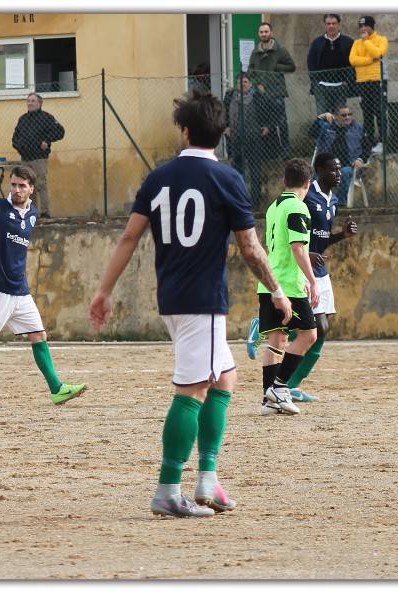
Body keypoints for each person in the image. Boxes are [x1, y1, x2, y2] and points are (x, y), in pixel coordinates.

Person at [89, 89, 292, 518]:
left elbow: (129, 236)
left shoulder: (157, 177)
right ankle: (167, 488)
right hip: (204, 300)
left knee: (225, 378)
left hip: (173, 297)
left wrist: (105, 290)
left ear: (184, 132)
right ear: (223, 134)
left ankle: (208, 479)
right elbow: (251, 249)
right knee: (193, 389)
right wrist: (276, 289)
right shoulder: (228, 179)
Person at [0, 166, 86, 408]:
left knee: (38, 335)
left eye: (22, 186)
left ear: (32, 188)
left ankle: (57, 389)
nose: (17, 189)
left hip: (20, 289)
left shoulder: (33, 212)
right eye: (14, 185)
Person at [283, 153, 359, 402]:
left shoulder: (333, 199)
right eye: (333, 170)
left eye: (339, 170)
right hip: (303, 267)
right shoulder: (306, 196)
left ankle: (292, 384)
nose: (338, 174)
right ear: (318, 171)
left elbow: (321, 239)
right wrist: (308, 252)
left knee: (322, 329)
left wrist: (342, 235)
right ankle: (265, 327)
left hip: (320, 269)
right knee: (311, 328)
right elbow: (293, 234)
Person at [256, 159, 320, 417]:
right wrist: (312, 280)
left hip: (269, 283)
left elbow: (274, 247)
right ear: (308, 183)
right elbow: (297, 247)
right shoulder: (297, 207)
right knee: (309, 335)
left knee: (277, 340)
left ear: (284, 182)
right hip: (288, 287)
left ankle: (268, 400)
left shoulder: (274, 206)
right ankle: (280, 387)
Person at [11, 93, 64, 218]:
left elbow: (60, 131)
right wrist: (20, 148)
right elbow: (15, 138)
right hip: (25, 158)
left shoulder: (47, 118)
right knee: (28, 187)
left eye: (33, 101)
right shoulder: (22, 119)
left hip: (40, 158)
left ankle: (45, 212)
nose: (30, 103)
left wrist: (47, 140)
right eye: (28, 101)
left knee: (40, 184)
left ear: (40, 103)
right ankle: (32, 212)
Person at [248, 22, 297, 158]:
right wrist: (257, 84)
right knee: (265, 122)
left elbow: (292, 67)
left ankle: (286, 149)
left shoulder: (280, 49)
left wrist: (277, 67)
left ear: (271, 33)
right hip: (261, 93)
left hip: (277, 92)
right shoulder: (255, 52)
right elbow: (250, 71)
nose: (264, 34)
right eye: (261, 32)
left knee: (281, 122)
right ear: (259, 34)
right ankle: (270, 151)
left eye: (266, 31)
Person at [224, 73, 270, 208]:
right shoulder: (229, 97)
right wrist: (225, 127)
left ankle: (255, 202)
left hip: (254, 138)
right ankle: (239, 199)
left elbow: (269, 111)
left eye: (245, 82)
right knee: (237, 170)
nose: (242, 84)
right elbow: (223, 112)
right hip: (236, 138)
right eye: (239, 82)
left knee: (255, 171)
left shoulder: (258, 97)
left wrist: (266, 126)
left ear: (250, 84)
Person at [311, 106, 370, 205]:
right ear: (336, 117)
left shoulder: (358, 128)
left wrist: (360, 159)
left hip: (350, 166)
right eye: (343, 115)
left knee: (344, 172)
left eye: (349, 114)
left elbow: (367, 148)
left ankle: (339, 204)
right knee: (317, 175)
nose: (347, 117)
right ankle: (315, 204)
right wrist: (321, 117)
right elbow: (312, 133)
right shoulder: (328, 127)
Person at [349, 16, 389, 151]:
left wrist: (366, 41)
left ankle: (383, 143)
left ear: (372, 26)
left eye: (365, 26)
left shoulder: (382, 40)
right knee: (367, 113)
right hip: (362, 82)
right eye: (361, 26)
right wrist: (370, 60)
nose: (363, 29)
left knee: (380, 111)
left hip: (378, 81)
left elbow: (378, 53)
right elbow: (353, 60)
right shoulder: (356, 43)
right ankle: (369, 143)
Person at [307, 14, 356, 117]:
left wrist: (348, 81)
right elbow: (311, 63)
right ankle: (324, 134)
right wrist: (316, 82)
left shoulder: (348, 42)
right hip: (321, 87)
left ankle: (338, 134)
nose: (331, 26)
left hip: (341, 86)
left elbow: (353, 63)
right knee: (323, 116)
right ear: (325, 25)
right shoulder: (317, 43)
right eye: (328, 23)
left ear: (339, 25)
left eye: (334, 23)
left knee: (340, 117)